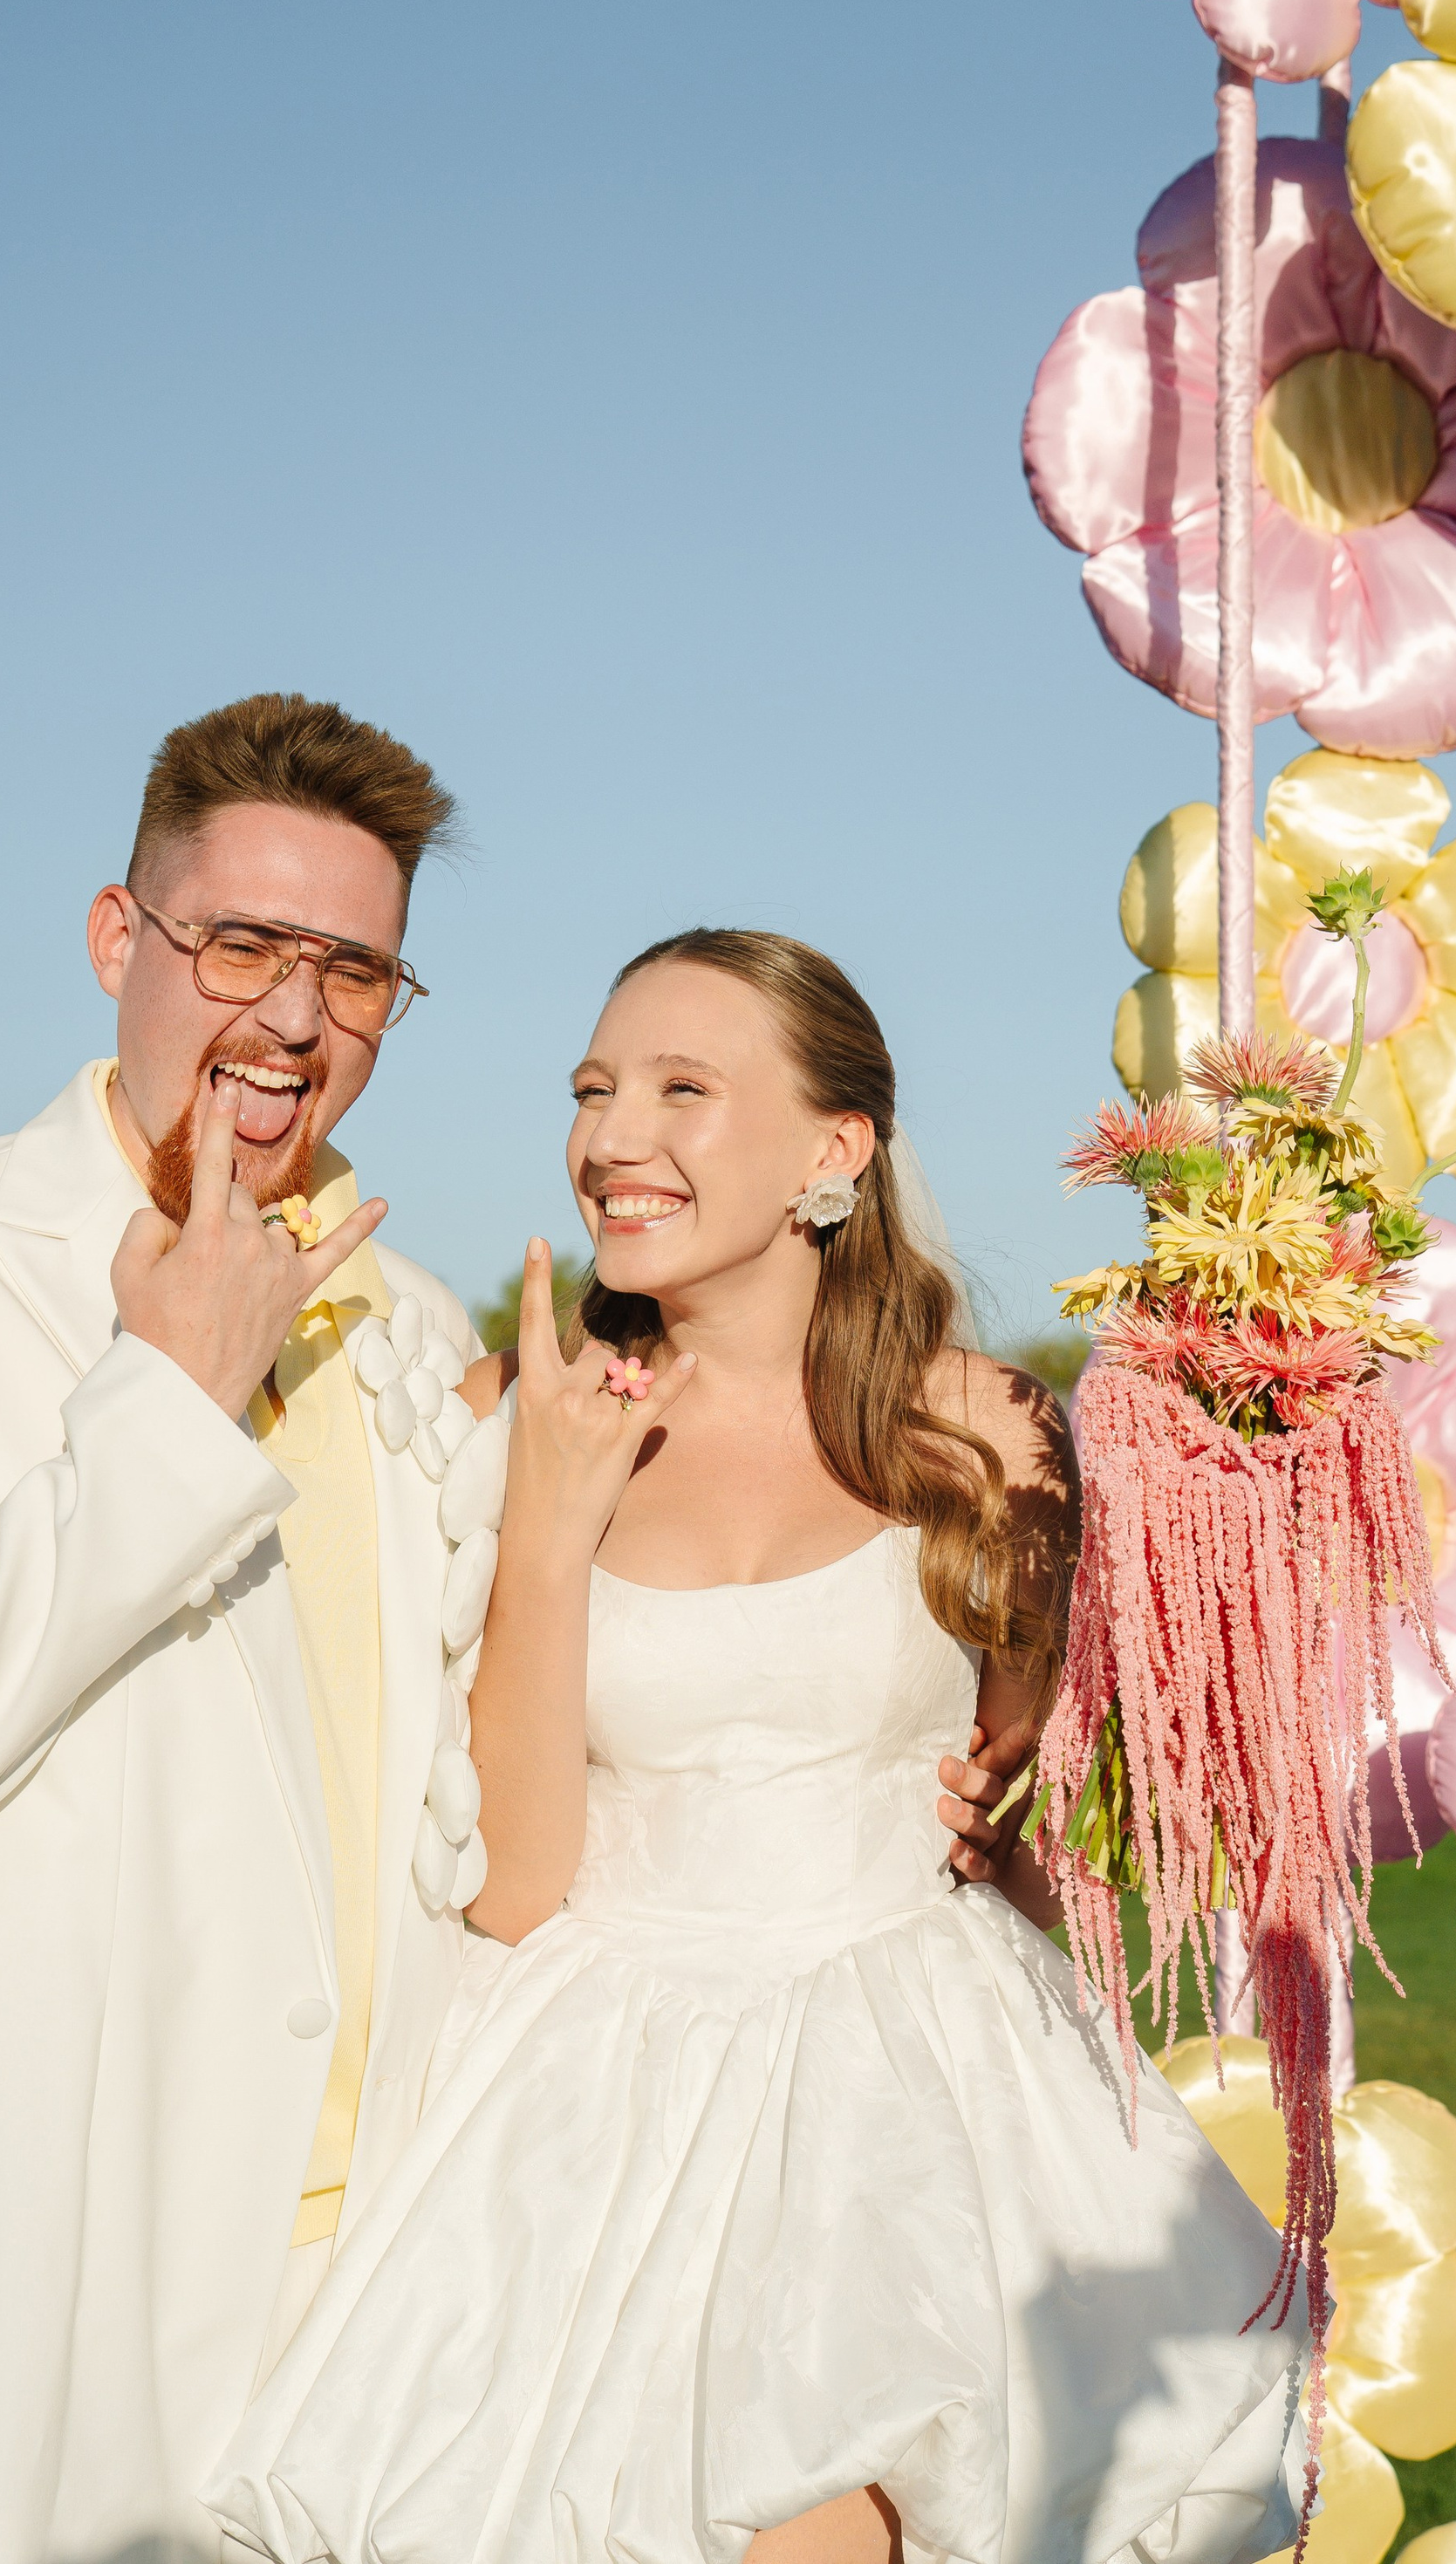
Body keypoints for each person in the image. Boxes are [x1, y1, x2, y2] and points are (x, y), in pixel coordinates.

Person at [0, 699, 1017, 2564]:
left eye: (353, 967)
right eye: (236, 943)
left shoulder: (416, 1330)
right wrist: (166, 1404)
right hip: (35, 2350)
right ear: (115, 936)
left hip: (384, 2336)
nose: (290, 1013)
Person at [211, 930, 1303, 2564]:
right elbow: (515, 1881)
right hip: (595, 2105)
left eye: (681, 1088)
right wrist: (550, 1523)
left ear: (832, 1152)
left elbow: (1004, 1799)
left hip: (917, 2089)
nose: (611, 1136)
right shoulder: (506, 1405)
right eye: (593, 1089)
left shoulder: (986, 1430)